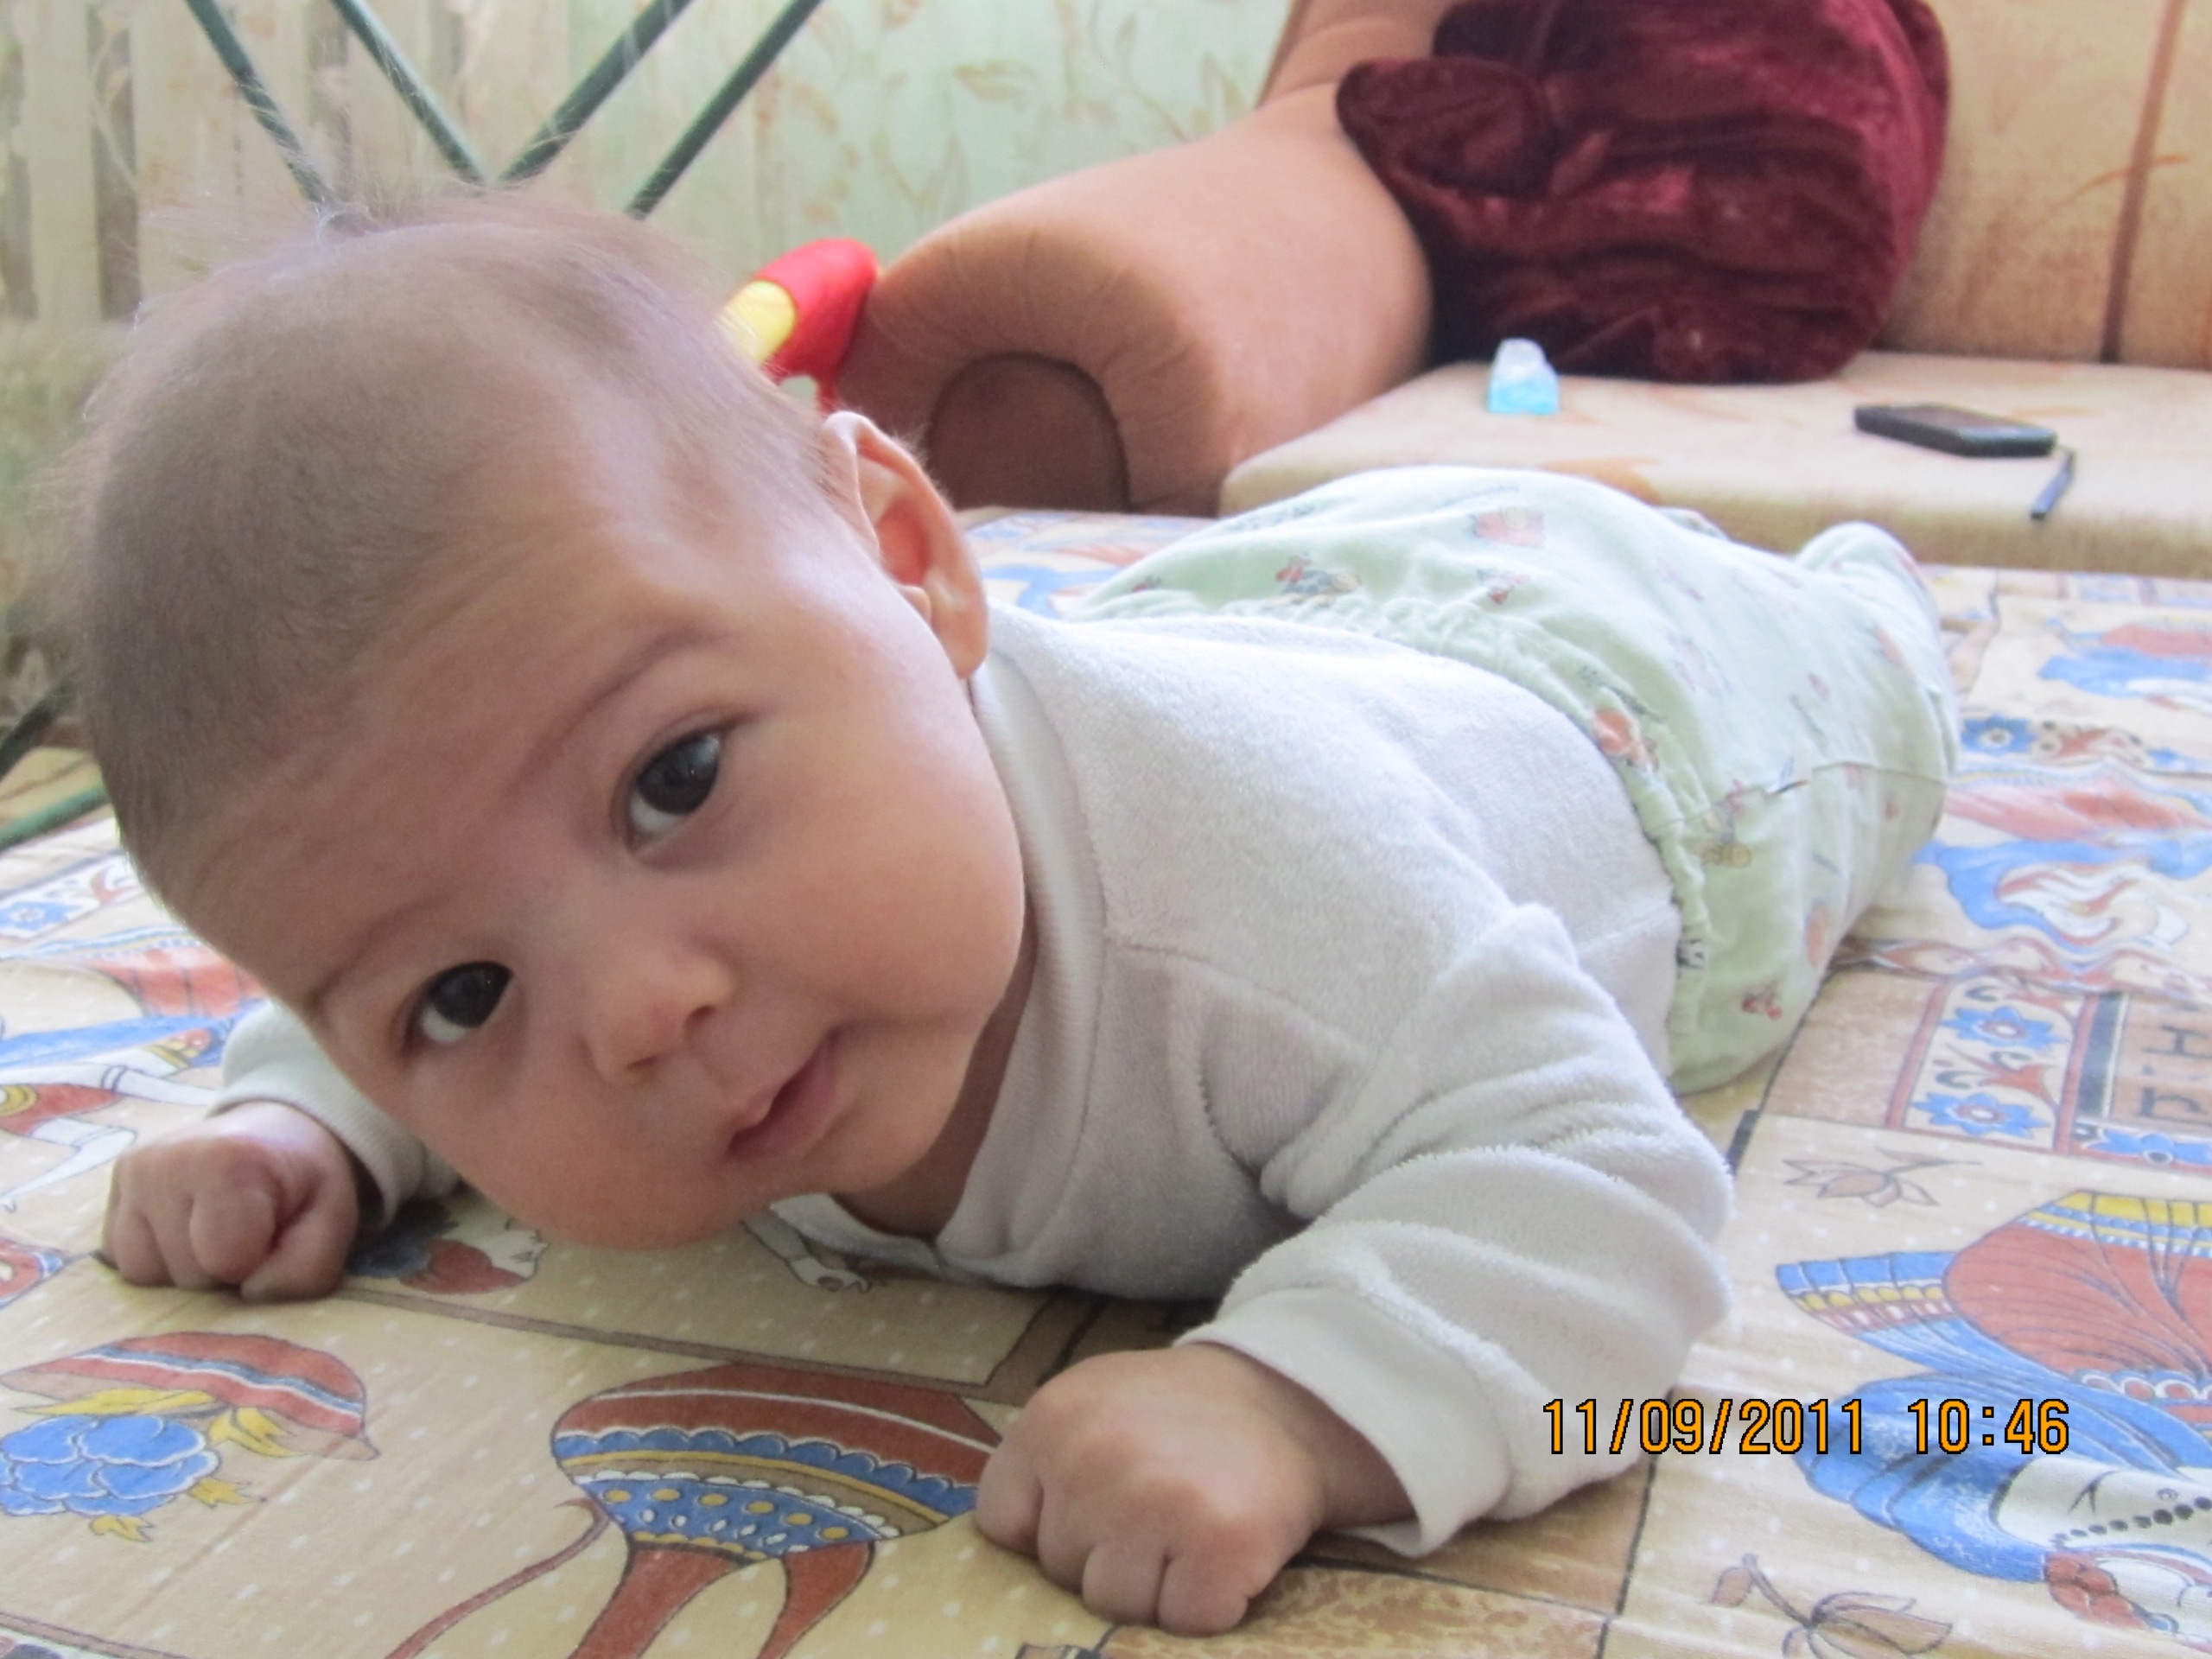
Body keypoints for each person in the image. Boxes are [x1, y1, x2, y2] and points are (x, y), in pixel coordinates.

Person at [69, 196, 1955, 1637]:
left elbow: (1598, 1191)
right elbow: (371, 963)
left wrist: (1293, 1409)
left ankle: (1866, 591)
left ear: (911, 561)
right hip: (1267, 626)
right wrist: (301, 1123)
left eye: (676, 778)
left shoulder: (1272, 910)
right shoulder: (536, 867)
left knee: (1848, 689)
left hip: (1633, 728)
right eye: (468, 993)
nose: (639, 1011)